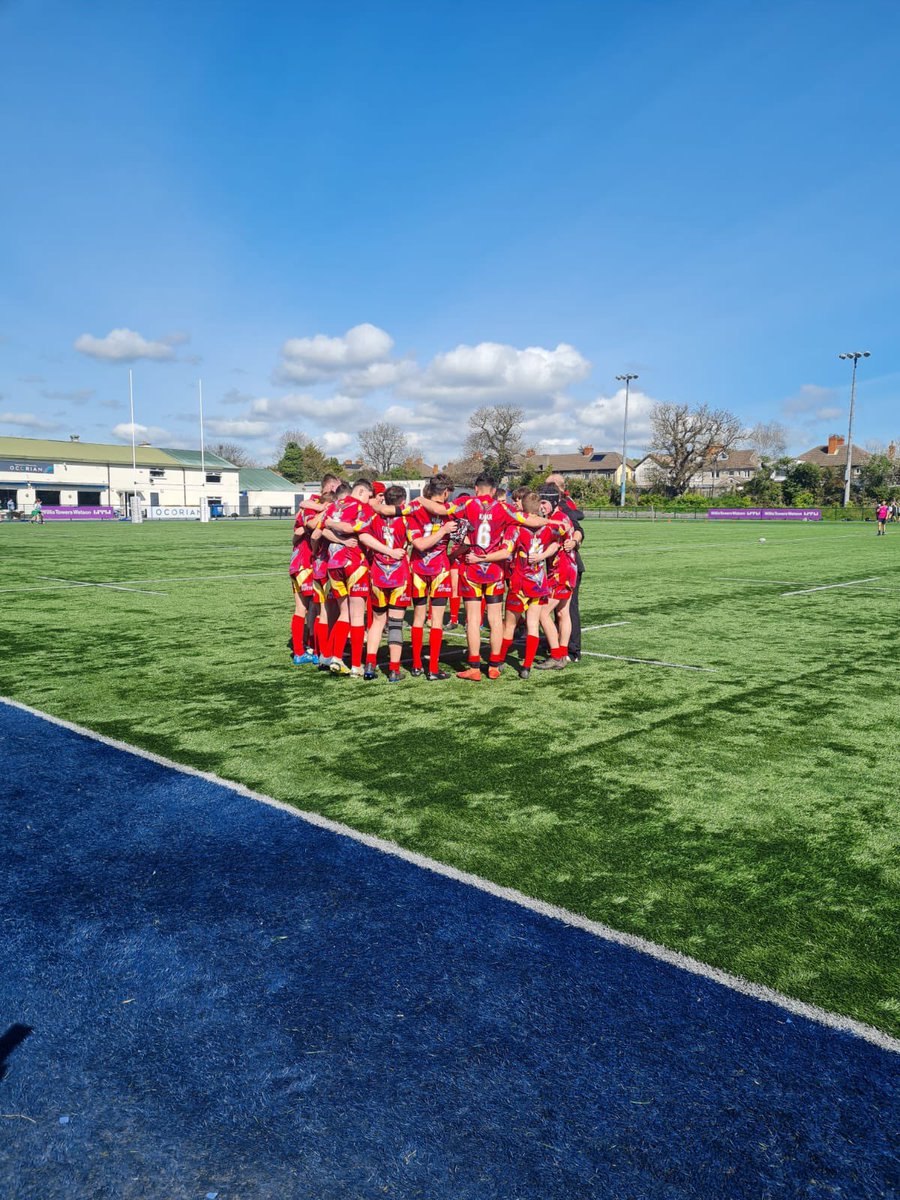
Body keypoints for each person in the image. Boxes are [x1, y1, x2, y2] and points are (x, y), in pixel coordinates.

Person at [451, 474, 516, 681]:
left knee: (473, 618)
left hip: (472, 570)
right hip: (495, 570)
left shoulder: (468, 504)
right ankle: (495, 665)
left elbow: (446, 512)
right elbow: (525, 518)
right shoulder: (504, 508)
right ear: (495, 490)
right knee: (496, 619)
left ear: (476, 488)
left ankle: (474, 666)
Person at [498, 493, 561, 678]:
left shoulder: (516, 528)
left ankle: (499, 659)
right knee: (533, 625)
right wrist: (542, 556)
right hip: (539, 582)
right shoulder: (547, 526)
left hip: (519, 582)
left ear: (522, 509)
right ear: (539, 508)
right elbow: (557, 544)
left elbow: (506, 551)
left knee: (510, 625)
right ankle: (526, 667)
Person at [405, 474, 458, 680]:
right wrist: (443, 531)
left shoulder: (418, 508)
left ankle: (425, 666)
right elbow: (419, 544)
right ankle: (424, 666)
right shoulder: (447, 512)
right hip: (429, 570)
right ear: (445, 492)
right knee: (427, 619)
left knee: (428, 619)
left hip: (429, 568)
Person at [359, 485, 411, 681]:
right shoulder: (407, 518)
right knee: (396, 624)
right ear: (402, 502)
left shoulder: (373, 517)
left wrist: (382, 551)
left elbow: (363, 535)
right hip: (399, 574)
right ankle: (394, 670)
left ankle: (370, 666)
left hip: (378, 574)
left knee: (378, 621)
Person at [544, 474, 585, 660]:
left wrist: (574, 541)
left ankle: (570, 650)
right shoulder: (553, 511)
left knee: (561, 610)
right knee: (561, 611)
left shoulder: (562, 511)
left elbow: (578, 529)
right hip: (558, 566)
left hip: (566, 567)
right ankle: (561, 647)